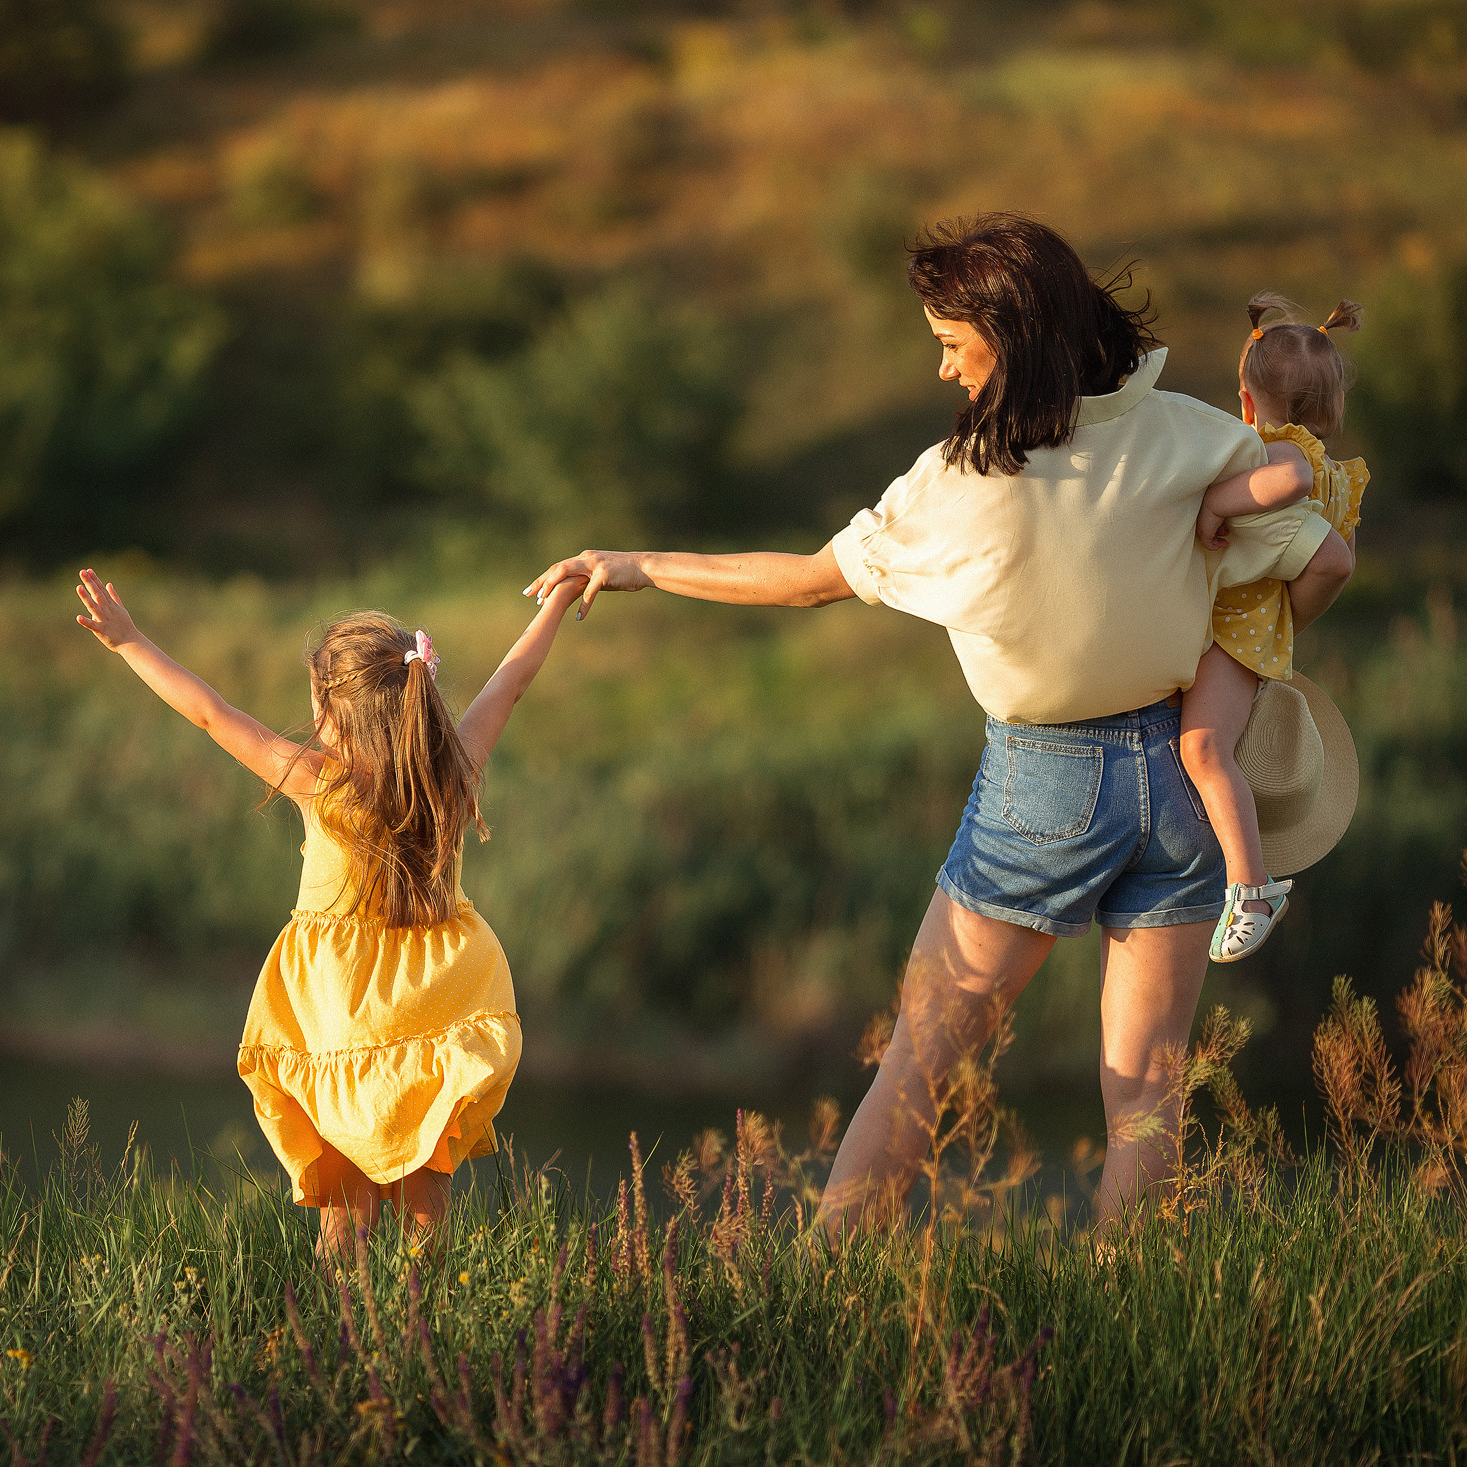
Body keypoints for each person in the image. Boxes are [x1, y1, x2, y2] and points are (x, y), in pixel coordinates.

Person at [523, 214, 1353, 1233]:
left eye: (953, 346)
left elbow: (807, 585)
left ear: (1009, 340)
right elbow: (1317, 557)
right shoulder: (1194, 435)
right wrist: (1242, 673)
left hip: (1042, 787)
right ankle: (1134, 1326)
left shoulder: (957, 484)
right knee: (1147, 1090)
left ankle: (823, 1294)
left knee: (919, 1061)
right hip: (1185, 775)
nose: (943, 369)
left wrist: (633, 564)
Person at [72, 568, 585, 1257]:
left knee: (344, 1207)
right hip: (435, 1002)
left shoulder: (323, 785)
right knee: (426, 1199)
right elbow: (512, 679)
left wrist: (129, 641)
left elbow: (211, 712)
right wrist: (559, 598)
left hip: (341, 1013)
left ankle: (342, 1336)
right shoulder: (452, 771)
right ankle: (426, 1335)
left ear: (330, 711)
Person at [1181, 295, 1367, 962]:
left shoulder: (1278, 454)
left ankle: (1251, 891)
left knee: (1203, 749)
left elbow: (1286, 486)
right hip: (1243, 629)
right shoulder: (1316, 457)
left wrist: (1214, 503)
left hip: (1235, 635)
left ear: (1249, 401)